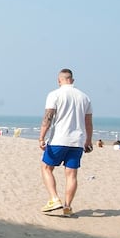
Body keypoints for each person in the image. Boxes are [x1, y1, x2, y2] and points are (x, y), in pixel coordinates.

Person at [38, 68, 93, 218]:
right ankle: (67, 207)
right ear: (72, 80)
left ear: (59, 80)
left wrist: (42, 137)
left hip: (59, 139)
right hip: (77, 141)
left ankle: (54, 199)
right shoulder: (85, 97)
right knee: (71, 174)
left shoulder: (55, 94)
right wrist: (88, 140)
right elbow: (88, 123)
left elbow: (48, 118)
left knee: (46, 167)